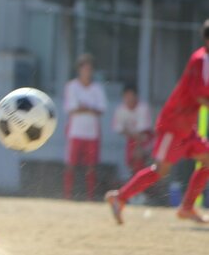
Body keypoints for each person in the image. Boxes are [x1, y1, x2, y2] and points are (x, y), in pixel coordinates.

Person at [106, 20, 209, 225]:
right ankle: (120, 197)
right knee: (160, 170)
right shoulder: (199, 60)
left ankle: (187, 208)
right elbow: (199, 95)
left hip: (186, 125)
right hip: (173, 123)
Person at [63, 53, 107, 201]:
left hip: (92, 132)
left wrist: (84, 107)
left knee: (91, 166)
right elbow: (71, 108)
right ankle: (68, 195)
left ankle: (90, 196)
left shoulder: (97, 88)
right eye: (84, 69)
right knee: (71, 164)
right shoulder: (72, 86)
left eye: (89, 69)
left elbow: (101, 109)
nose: (87, 72)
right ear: (79, 70)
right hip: (75, 131)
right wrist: (89, 108)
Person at [112, 84, 154, 176]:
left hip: (146, 139)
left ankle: (144, 187)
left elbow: (143, 132)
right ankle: (135, 186)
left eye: (131, 96)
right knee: (130, 163)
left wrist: (138, 147)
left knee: (141, 162)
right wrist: (132, 135)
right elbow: (118, 129)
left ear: (136, 96)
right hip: (133, 139)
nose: (129, 99)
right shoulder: (120, 110)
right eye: (126, 97)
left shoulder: (143, 108)